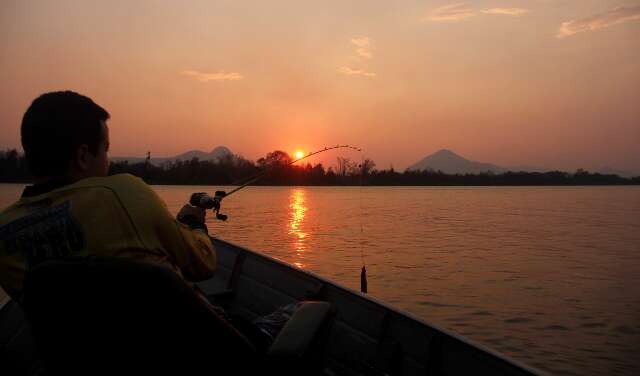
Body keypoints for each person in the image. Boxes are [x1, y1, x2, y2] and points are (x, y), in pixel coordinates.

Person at [0, 90, 215, 301]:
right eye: (105, 149)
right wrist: (193, 224)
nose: (107, 160)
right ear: (83, 156)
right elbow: (203, 264)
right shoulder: (124, 194)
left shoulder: (3, 232)